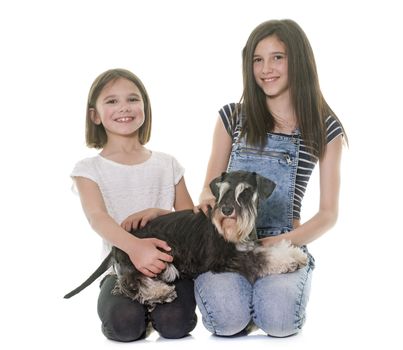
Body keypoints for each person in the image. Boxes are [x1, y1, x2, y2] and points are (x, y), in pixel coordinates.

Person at [195, 19, 347, 337]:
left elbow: (329, 214)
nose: (267, 69)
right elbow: (209, 192)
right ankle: (245, 299)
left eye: (278, 57)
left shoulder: (324, 127)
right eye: (257, 60)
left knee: (279, 322)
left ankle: (264, 299)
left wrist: (275, 243)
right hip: (228, 241)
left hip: (282, 241)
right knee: (226, 321)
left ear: (299, 60)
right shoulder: (232, 117)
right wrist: (211, 208)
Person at [71, 68, 197, 341]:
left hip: (170, 268)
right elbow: (97, 218)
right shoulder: (88, 169)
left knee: (176, 325)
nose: (124, 108)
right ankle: (139, 314)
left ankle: (154, 313)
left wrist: (158, 213)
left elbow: (190, 219)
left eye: (132, 99)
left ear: (145, 107)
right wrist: (135, 247)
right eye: (111, 101)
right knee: (124, 325)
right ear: (95, 115)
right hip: (121, 270)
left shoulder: (168, 164)